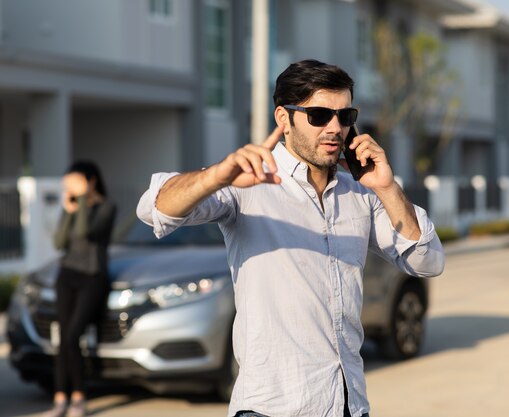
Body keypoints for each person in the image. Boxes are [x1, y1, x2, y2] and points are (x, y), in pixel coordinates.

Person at [137, 59, 445, 417]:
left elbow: (428, 261)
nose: (335, 129)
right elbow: (154, 208)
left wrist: (387, 188)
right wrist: (217, 175)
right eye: (319, 115)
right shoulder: (246, 182)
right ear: (284, 118)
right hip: (273, 407)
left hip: (348, 405)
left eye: (345, 117)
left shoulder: (362, 192)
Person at [44, 161, 116, 417]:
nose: (69, 187)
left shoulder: (106, 208)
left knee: (74, 335)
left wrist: (81, 204)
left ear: (90, 181)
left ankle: (79, 397)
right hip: (67, 276)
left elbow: (85, 233)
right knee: (63, 338)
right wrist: (69, 211)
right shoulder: (72, 207)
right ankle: (60, 397)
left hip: (92, 277)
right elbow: (59, 242)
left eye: (73, 182)